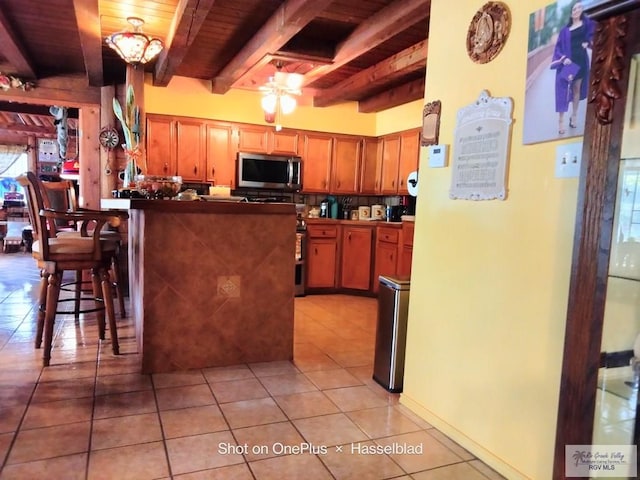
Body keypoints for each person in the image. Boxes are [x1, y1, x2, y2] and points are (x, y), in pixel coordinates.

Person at [550, 0, 595, 135]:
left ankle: (574, 116)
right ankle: (561, 121)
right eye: (575, 9)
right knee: (563, 91)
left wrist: (588, 43)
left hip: (580, 61)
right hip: (568, 63)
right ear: (571, 13)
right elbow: (558, 47)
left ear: (582, 10)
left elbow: (595, 35)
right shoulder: (565, 31)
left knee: (576, 90)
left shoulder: (587, 25)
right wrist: (563, 59)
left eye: (580, 8)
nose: (577, 10)